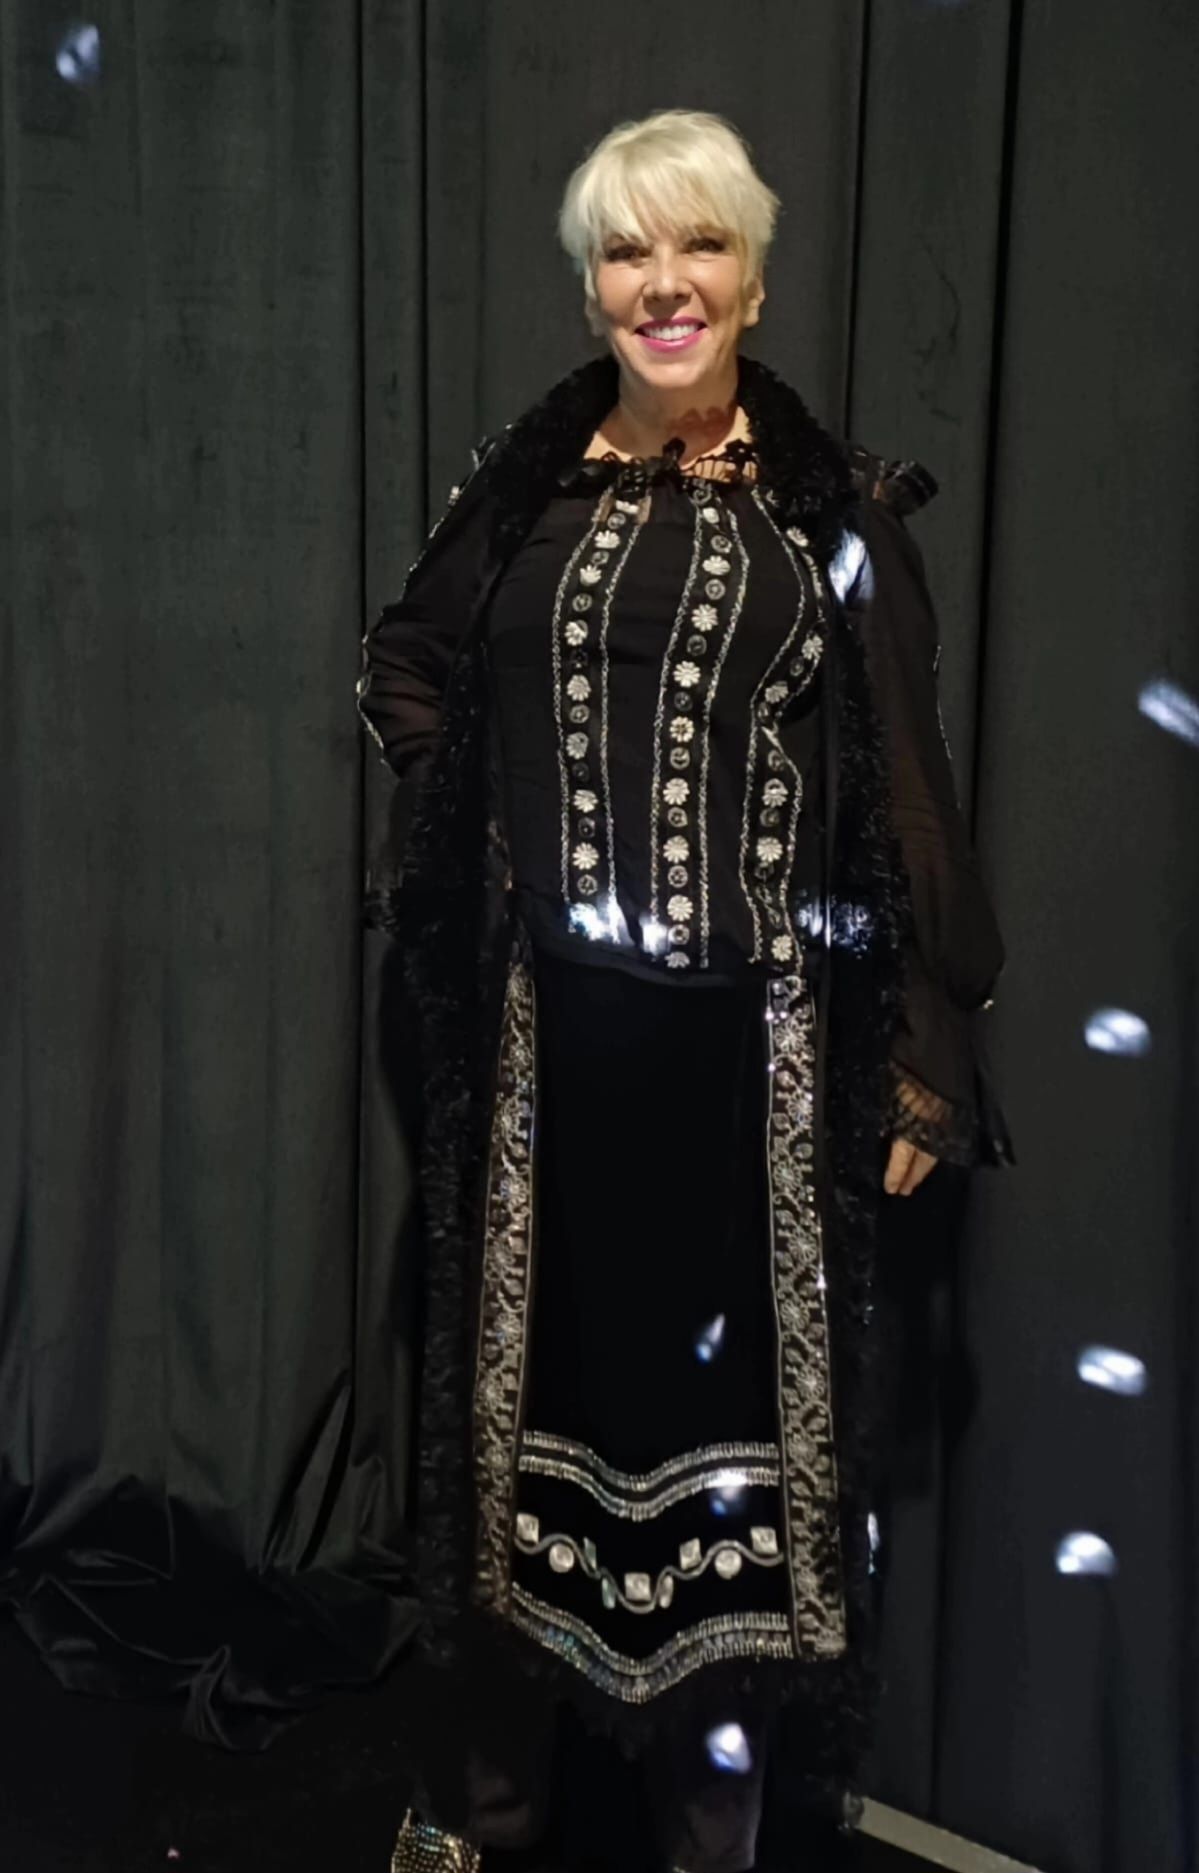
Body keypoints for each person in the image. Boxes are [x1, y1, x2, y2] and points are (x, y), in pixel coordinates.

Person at [357, 108, 1013, 1873]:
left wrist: (927, 1045)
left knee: (733, 1469)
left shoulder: (834, 513)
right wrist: (472, 838)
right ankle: (487, 1807)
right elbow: (406, 665)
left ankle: (706, 1834)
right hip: (545, 1067)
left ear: (754, 278)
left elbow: (910, 789)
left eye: (700, 244)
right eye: (629, 252)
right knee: (511, 1447)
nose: (666, 283)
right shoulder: (521, 491)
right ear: (594, 286)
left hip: (747, 1080)